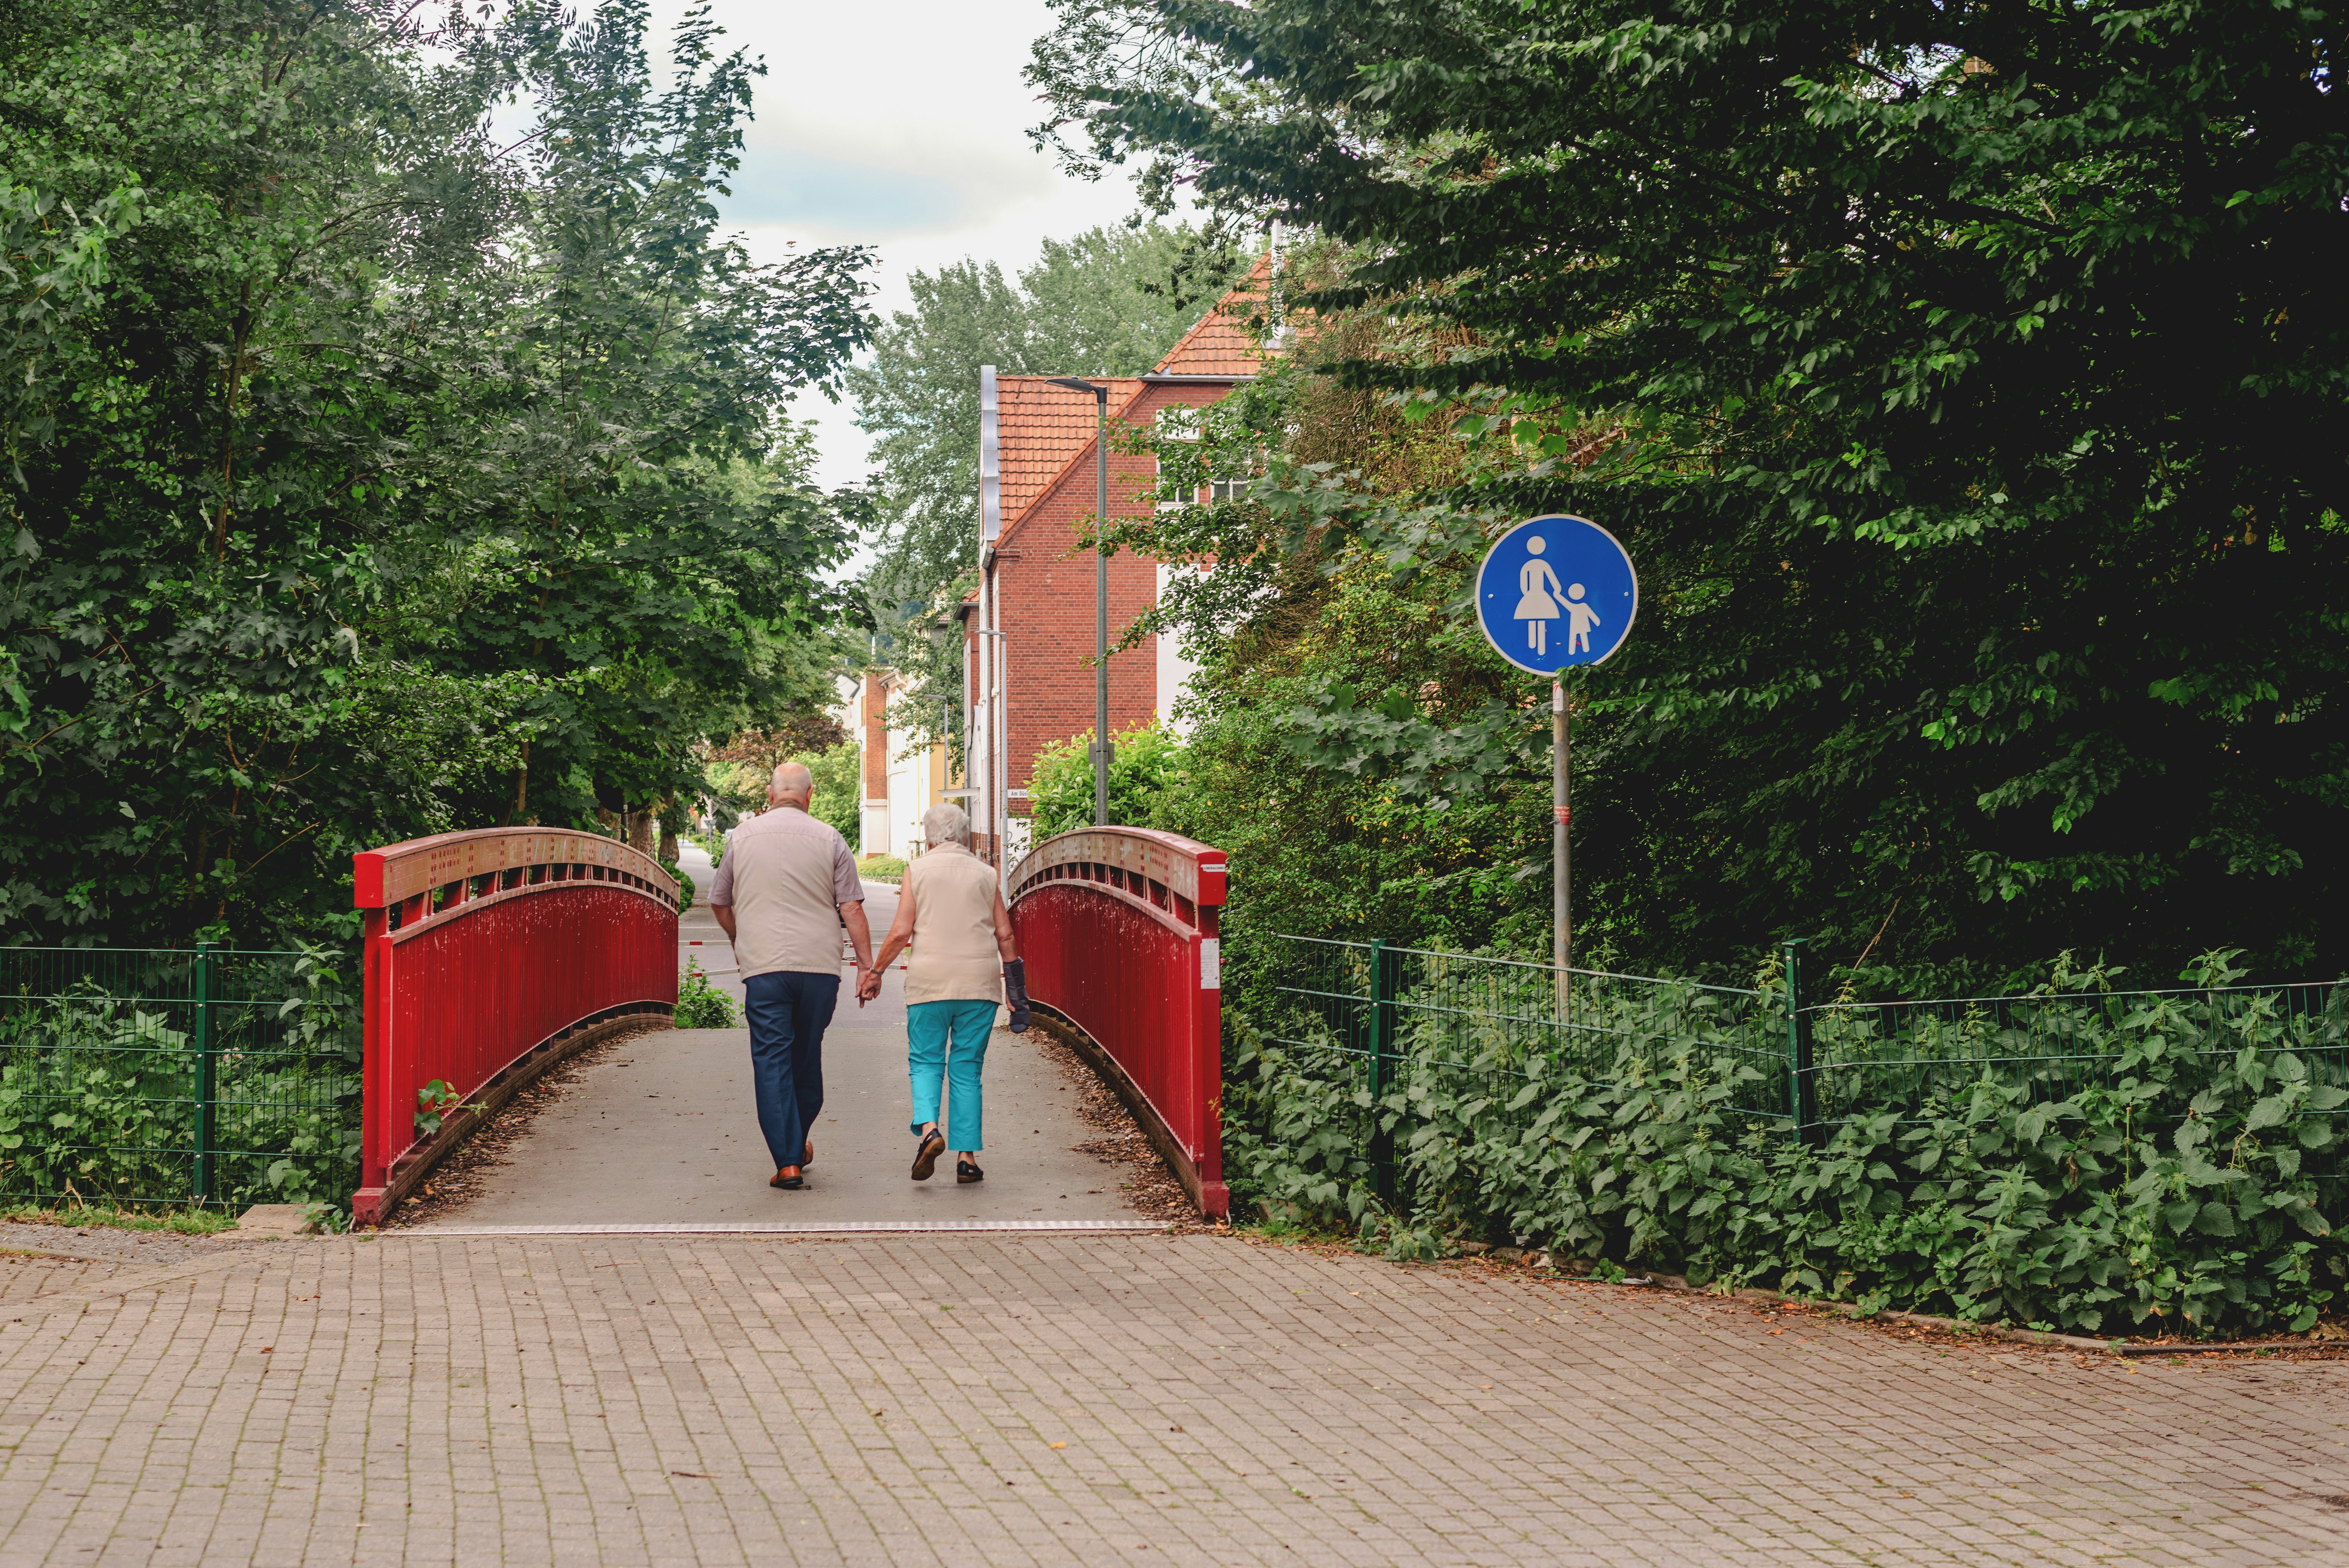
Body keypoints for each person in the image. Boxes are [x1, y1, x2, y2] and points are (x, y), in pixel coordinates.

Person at [708, 762, 873, 1191]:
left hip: (764, 968)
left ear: (769, 794)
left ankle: (788, 1161)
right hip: (819, 968)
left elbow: (719, 901)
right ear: (810, 795)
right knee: (806, 1056)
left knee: (771, 1061)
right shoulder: (830, 837)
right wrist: (866, 966)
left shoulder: (741, 838)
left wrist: (739, 937)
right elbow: (851, 907)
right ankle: (795, 1144)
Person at [861, 802, 1028, 1185]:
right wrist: (1016, 988)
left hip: (929, 983)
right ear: (966, 835)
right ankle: (967, 1159)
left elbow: (902, 931)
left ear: (928, 835)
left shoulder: (916, 870)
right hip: (979, 984)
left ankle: (930, 1131)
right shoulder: (987, 874)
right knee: (967, 1070)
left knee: (925, 1062)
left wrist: (876, 972)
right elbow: (1005, 934)